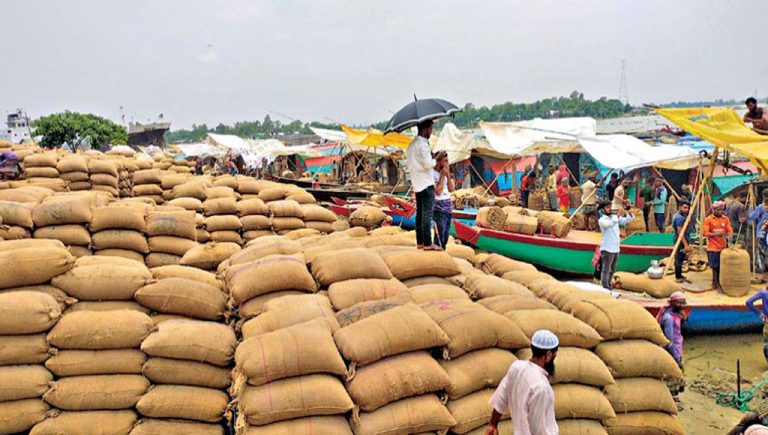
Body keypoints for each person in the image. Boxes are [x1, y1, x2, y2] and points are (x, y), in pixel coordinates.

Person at [486, 330, 559, 435]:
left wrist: (493, 424)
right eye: (554, 356)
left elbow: (501, 398)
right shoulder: (540, 387)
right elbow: (537, 428)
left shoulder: (517, 367)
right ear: (548, 355)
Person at [407, 119, 439, 251]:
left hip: (417, 183)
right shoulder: (423, 145)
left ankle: (420, 241)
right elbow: (427, 165)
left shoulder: (412, 145)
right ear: (425, 129)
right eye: (430, 128)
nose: (431, 131)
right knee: (427, 215)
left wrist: (431, 157)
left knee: (420, 214)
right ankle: (427, 243)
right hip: (426, 183)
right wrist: (436, 159)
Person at [657, 291, 687, 404]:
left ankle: (673, 397)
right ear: (673, 303)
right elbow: (669, 340)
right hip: (671, 351)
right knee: (672, 375)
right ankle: (670, 400)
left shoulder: (676, 315)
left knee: (676, 375)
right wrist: (675, 356)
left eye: (684, 303)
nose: (683, 306)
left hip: (678, 348)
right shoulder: (668, 318)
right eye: (680, 303)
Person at [598, 201, 634, 289]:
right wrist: (618, 215)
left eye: (610, 207)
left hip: (615, 248)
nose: (610, 209)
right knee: (606, 269)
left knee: (612, 269)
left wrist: (628, 212)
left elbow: (626, 220)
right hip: (607, 248)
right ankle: (605, 286)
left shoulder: (614, 217)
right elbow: (610, 225)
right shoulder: (602, 220)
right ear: (602, 210)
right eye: (607, 207)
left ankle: (609, 284)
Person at [703, 200, 733, 291]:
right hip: (713, 247)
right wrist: (715, 235)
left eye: (722, 210)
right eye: (719, 210)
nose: (720, 212)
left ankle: (718, 282)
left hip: (723, 247)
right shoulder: (708, 219)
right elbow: (705, 233)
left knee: (721, 266)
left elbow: (729, 230)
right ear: (713, 209)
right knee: (714, 266)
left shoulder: (725, 219)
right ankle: (715, 283)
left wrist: (728, 235)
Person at [433, 152, 454, 250]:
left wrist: (448, 176)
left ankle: (442, 253)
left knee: (445, 234)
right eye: (445, 161)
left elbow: (451, 188)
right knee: (440, 234)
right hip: (438, 206)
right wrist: (442, 175)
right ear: (438, 161)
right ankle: (437, 253)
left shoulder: (445, 172)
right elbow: (438, 191)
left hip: (447, 205)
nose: (447, 163)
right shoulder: (431, 174)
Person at [671, 201, 695, 283]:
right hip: (680, 240)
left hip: (681, 239)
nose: (686, 210)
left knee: (680, 258)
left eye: (687, 208)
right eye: (684, 207)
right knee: (679, 258)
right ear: (679, 207)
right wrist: (686, 245)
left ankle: (679, 275)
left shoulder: (680, 215)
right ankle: (678, 277)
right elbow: (680, 232)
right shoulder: (679, 218)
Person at [746, 288, 768, 362]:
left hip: (767, 323)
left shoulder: (763, 293)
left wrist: (760, 314)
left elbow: (748, 302)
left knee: (766, 345)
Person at [749, 197, 768, 274]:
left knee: (760, 251)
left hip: (762, 233)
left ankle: (762, 268)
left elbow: (752, 216)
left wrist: (751, 208)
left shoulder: (761, 207)